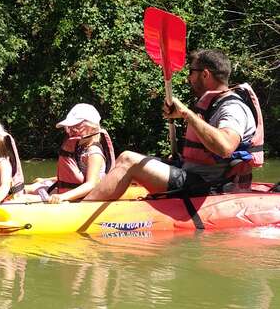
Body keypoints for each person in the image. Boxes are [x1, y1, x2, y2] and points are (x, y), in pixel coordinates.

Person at [86, 49, 264, 201]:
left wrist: (186, 113)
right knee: (125, 158)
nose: (189, 78)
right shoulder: (214, 104)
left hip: (209, 185)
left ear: (205, 74)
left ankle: (83, 208)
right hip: (194, 176)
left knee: (128, 160)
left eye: (191, 71)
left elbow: (225, 147)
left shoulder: (232, 108)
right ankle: (96, 197)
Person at [26, 103, 115, 203]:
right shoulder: (80, 148)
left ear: (91, 128)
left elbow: (91, 183)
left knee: (26, 198)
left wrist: (63, 197)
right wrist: (46, 179)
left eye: (76, 127)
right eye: (69, 128)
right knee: (30, 188)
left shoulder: (94, 153)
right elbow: (77, 177)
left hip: (82, 197)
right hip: (70, 190)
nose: (71, 131)